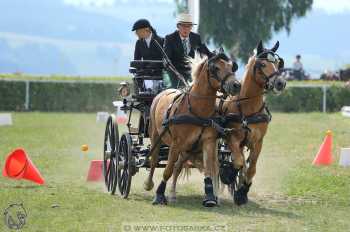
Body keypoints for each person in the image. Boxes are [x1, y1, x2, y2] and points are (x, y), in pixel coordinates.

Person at [164, 13, 212, 88]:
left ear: (191, 27)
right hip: (175, 73)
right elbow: (166, 58)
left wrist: (218, 57)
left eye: (189, 26)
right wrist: (168, 64)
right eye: (183, 26)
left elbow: (205, 52)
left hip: (192, 73)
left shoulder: (196, 37)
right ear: (178, 26)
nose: (186, 29)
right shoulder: (170, 38)